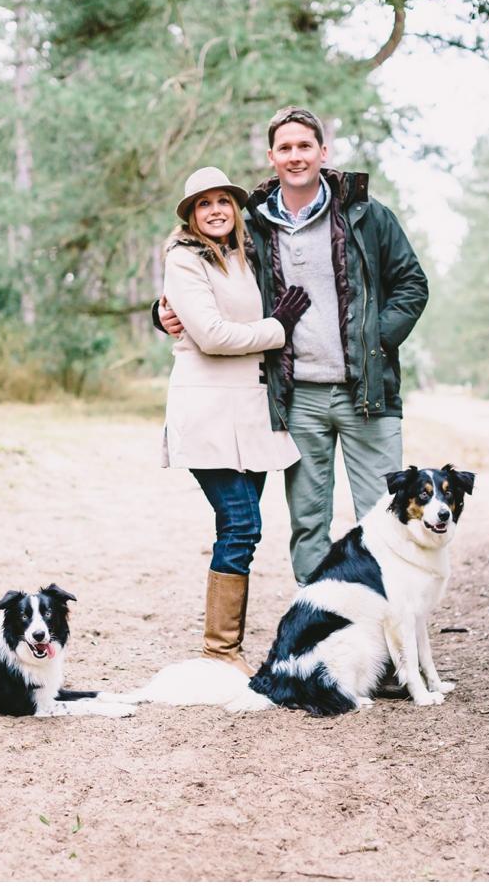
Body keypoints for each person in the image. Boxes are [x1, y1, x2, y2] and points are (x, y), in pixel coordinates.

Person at [159, 108, 428, 585]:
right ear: (272, 157)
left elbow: (411, 284)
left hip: (369, 393)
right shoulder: (254, 228)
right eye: (285, 148)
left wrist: (374, 342)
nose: (295, 156)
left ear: (323, 153)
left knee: (386, 519)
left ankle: (389, 636)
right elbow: (209, 276)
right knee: (308, 525)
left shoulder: (368, 216)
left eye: (305, 146)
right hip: (296, 398)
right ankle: (321, 630)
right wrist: (160, 315)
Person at [162, 166, 310, 674]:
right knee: (241, 524)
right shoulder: (183, 260)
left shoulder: (247, 257)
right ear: (191, 216)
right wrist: (277, 329)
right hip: (206, 412)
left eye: (223, 200)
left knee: (244, 531)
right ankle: (220, 651)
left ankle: (228, 649)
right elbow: (211, 334)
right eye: (204, 204)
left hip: (252, 412)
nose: (216, 210)